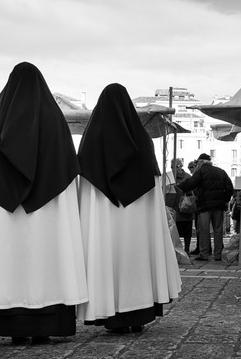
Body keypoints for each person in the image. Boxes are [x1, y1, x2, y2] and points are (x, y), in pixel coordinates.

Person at [0, 62, 89, 345]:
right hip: (48, 211)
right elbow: (66, 167)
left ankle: (13, 326)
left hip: (3, 212)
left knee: (8, 261)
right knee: (47, 260)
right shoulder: (53, 117)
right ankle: (45, 325)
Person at [78, 83, 181, 334]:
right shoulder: (142, 140)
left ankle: (110, 313)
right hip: (136, 219)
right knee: (137, 258)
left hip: (105, 217)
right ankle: (138, 314)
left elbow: (86, 185)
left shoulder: (91, 140)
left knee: (107, 259)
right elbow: (154, 183)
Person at [178, 152, 234, 261]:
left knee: (204, 230)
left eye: (198, 162)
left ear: (201, 162)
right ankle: (217, 254)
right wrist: (225, 200)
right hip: (218, 206)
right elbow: (229, 187)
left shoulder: (201, 172)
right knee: (218, 230)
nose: (197, 164)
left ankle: (204, 254)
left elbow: (191, 183)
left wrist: (179, 187)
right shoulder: (221, 171)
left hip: (205, 206)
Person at [167, 158, 193, 253]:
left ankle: (186, 250)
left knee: (186, 231)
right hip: (173, 209)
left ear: (181, 167)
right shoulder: (169, 177)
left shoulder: (187, 177)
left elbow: (192, 192)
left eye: (176, 166)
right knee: (173, 231)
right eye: (171, 166)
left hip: (184, 209)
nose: (173, 169)